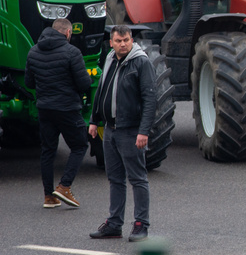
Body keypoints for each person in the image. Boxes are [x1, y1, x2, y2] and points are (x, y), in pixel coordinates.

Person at [88, 26, 156, 242]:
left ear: (131, 40)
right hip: (110, 130)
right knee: (115, 178)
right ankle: (114, 224)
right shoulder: (109, 59)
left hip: (131, 131)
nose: (123, 44)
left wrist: (143, 131)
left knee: (138, 179)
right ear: (111, 43)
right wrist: (94, 120)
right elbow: (101, 90)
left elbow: (150, 99)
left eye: (126, 40)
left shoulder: (141, 62)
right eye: (118, 41)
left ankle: (140, 225)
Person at [25, 18, 91, 209]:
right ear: (68, 33)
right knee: (79, 146)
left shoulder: (33, 51)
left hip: (45, 108)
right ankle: (64, 186)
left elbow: (29, 83)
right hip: (67, 108)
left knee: (48, 151)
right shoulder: (72, 52)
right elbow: (84, 84)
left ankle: (48, 196)